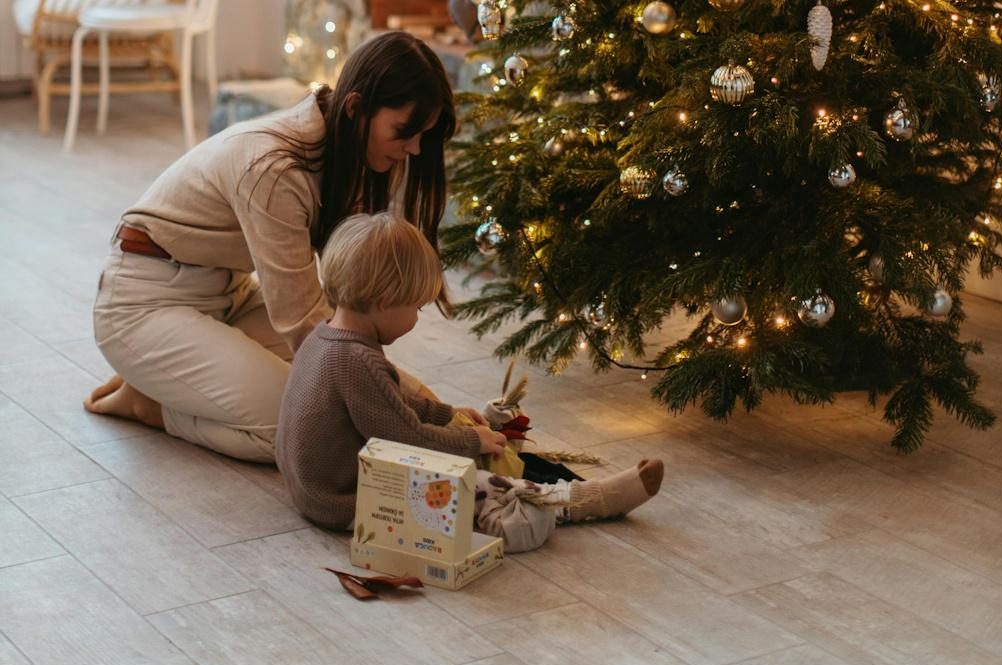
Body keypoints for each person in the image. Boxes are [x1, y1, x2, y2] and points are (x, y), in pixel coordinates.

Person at [84, 32, 455, 463]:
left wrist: (426, 409)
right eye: (405, 131)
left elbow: (346, 323)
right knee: (308, 432)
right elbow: (309, 328)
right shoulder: (274, 170)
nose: (414, 148)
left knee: (343, 405)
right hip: (143, 303)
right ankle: (153, 406)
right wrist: (408, 406)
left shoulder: (357, 156)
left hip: (228, 296)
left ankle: (173, 382)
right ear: (355, 107)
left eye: (423, 135)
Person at [276, 211, 665, 552]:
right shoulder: (357, 360)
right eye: (416, 307)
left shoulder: (326, 337)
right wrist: (471, 441)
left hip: (313, 492)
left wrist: (447, 415)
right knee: (480, 483)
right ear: (384, 300)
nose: (416, 318)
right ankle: (584, 500)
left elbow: (389, 404)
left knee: (462, 454)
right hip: (347, 500)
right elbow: (405, 440)